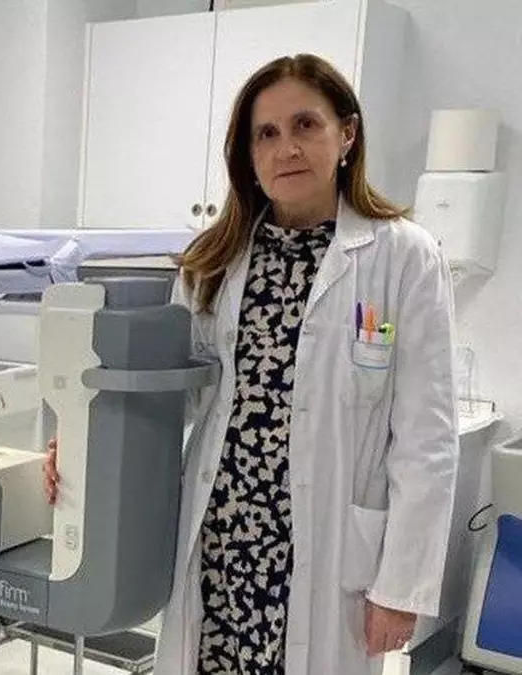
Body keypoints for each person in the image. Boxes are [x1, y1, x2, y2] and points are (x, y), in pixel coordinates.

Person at [44, 53, 458, 674]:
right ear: (248, 154)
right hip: (222, 535)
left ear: (346, 134)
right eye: (266, 133)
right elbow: (175, 396)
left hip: (323, 550)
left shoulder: (402, 256)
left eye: (305, 125)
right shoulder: (214, 258)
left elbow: (427, 439)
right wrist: (83, 445)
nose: (286, 148)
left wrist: (401, 588)